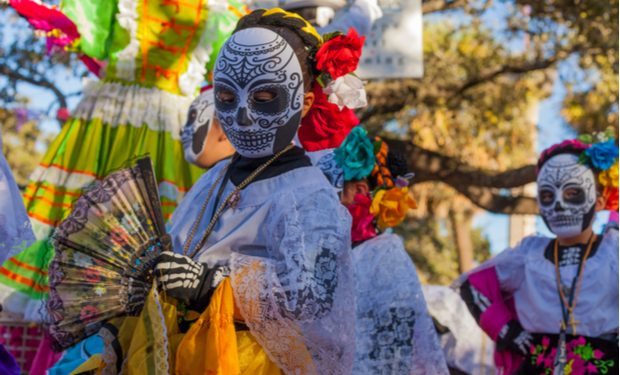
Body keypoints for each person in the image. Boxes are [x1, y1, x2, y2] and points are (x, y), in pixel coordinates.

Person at [96, 9, 365, 374]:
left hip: (243, 361)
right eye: (225, 96)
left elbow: (313, 298)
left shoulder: (306, 194)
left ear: (304, 103)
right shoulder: (216, 175)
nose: (240, 116)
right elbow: (179, 244)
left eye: (265, 96)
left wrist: (211, 283)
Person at [2, 0, 248, 322]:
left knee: (158, 233)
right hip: (111, 121)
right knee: (85, 219)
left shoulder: (223, 11)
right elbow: (78, 28)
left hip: (163, 127)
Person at [454, 136, 619, 374]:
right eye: (548, 196)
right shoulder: (529, 254)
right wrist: (511, 333)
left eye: (572, 193)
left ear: (601, 200)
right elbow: (474, 286)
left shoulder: (614, 251)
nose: (559, 205)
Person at [315, 126, 449, 374]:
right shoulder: (332, 253)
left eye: (325, 192)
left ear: (360, 192)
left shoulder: (386, 255)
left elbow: (395, 352)